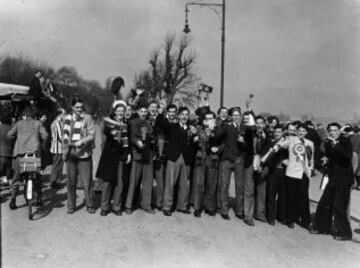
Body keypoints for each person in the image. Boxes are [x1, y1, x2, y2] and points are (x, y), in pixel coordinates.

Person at [310, 123, 353, 241]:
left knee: (339, 206)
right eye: (330, 131)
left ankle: (345, 233)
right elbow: (330, 157)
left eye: (335, 130)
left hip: (344, 179)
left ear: (339, 131)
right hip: (333, 177)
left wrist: (335, 143)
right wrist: (325, 160)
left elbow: (347, 155)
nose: (332, 133)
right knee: (324, 203)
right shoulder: (328, 143)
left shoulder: (344, 141)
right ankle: (322, 228)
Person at [212, 107, 254, 225]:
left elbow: (248, 146)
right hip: (226, 159)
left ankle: (239, 211)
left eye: (238, 115)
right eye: (234, 115)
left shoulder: (244, 128)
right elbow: (217, 136)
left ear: (240, 116)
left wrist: (243, 142)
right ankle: (224, 210)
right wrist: (212, 128)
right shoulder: (227, 126)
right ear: (231, 116)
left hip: (239, 160)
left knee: (239, 186)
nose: (236, 116)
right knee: (224, 185)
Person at [156, 105, 196, 216]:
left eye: (186, 115)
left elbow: (193, 142)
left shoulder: (191, 128)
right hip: (174, 157)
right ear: (178, 115)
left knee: (184, 183)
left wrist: (195, 135)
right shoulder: (172, 126)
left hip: (186, 158)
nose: (184, 116)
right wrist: (160, 113)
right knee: (170, 182)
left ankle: (182, 206)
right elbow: (160, 124)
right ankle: (167, 206)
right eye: (182, 114)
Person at [273, 122, 314, 229]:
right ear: (296, 132)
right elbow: (282, 144)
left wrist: (310, 170)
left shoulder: (310, 143)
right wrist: (277, 146)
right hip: (292, 173)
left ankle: (306, 222)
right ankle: (290, 219)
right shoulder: (291, 140)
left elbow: (311, 158)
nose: (301, 133)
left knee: (304, 198)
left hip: (303, 173)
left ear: (306, 132)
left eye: (303, 131)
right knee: (291, 197)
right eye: (299, 131)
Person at [7, 105, 48, 210]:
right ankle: (38, 199)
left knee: (16, 178)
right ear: (34, 114)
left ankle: (13, 200)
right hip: (33, 154)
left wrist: (16, 138)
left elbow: (9, 135)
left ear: (24, 114)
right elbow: (45, 136)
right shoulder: (38, 123)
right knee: (37, 177)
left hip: (19, 154)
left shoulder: (19, 123)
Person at [96, 103, 131, 216]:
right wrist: (115, 128)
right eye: (119, 110)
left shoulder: (126, 125)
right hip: (109, 155)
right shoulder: (109, 122)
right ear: (115, 112)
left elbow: (126, 142)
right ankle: (105, 207)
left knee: (119, 183)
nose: (120, 112)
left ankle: (116, 206)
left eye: (122, 111)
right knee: (107, 182)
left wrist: (128, 154)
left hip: (120, 156)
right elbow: (107, 132)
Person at [62, 97, 95, 214]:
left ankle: (90, 204)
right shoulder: (67, 118)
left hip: (84, 154)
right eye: (77, 107)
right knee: (71, 182)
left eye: (81, 107)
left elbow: (92, 135)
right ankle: (71, 206)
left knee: (87, 182)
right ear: (72, 107)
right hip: (71, 153)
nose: (79, 109)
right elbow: (64, 137)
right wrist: (65, 151)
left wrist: (83, 141)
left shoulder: (88, 117)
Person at [125, 103, 155, 214]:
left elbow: (152, 137)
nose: (143, 113)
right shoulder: (132, 123)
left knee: (148, 181)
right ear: (137, 112)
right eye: (141, 111)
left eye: (145, 111)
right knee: (134, 180)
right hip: (136, 153)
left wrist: (152, 143)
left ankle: (146, 204)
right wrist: (137, 142)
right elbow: (130, 137)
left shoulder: (149, 123)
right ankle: (128, 205)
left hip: (148, 154)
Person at [192, 111, 219, 217]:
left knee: (211, 183)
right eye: (206, 118)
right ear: (204, 120)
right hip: (201, 158)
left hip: (212, 158)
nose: (208, 120)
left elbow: (221, 142)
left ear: (214, 119)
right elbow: (192, 137)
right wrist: (195, 138)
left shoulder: (218, 130)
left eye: (211, 118)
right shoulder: (199, 129)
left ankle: (210, 207)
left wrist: (212, 133)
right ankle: (197, 207)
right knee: (199, 183)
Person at [49, 108, 65, 189]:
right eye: (63, 114)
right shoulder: (57, 123)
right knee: (57, 165)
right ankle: (54, 181)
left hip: (56, 147)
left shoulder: (55, 122)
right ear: (59, 114)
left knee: (57, 165)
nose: (64, 115)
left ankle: (56, 181)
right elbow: (60, 136)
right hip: (58, 147)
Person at [0, 114, 13, 185]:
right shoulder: (12, 128)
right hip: (10, 152)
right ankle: (8, 180)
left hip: (1, 152)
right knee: (9, 168)